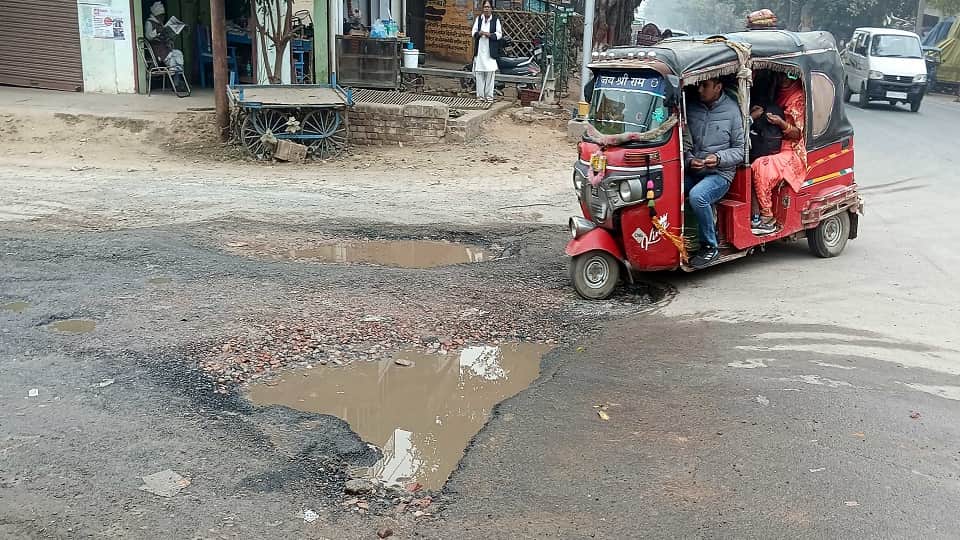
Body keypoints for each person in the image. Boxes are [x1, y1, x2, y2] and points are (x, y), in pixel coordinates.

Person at [684, 78, 745, 268]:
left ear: (718, 87)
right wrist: (689, 159)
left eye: (705, 86)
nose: (700, 89)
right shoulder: (692, 106)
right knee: (668, 186)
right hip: (694, 170)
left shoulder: (732, 111)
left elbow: (740, 150)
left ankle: (710, 246)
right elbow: (684, 141)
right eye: (699, 85)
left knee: (698, 196)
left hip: (720, 175)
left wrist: (718, 158)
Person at [749, 71, 806, 235]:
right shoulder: (775, 92)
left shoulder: (798, 98)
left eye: (791, 76)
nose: (785, 79)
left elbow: (798, 134)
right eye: (782, 76)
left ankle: (767, 217)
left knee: (761, 165)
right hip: (773, 141)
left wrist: (781, 123)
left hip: (792, 147)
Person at [145, 2, 187, 92]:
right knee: (172, 59)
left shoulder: (160, 23)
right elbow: (148, 36)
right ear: (156, 15)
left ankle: (178, 81)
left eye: (163, 15)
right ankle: (175, 84)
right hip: (157, 50)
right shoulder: (149, 23)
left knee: (178, 54)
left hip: (165, 48)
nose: (162, 17)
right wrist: (157, 32)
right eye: (160, 15)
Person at [471, 0, 502, 103]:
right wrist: (479, 33)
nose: (486, 9)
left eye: (488, 7)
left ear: (491, 9)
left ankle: (489, 97)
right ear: (482, 8)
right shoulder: (478, 19)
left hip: (490, 52)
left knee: (490, 74)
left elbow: (499, 34)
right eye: (485, 7)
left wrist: (489, 35)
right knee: (479, 74)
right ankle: (480, 97)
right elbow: (473, 33)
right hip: (480, 51)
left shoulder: (495, 20)